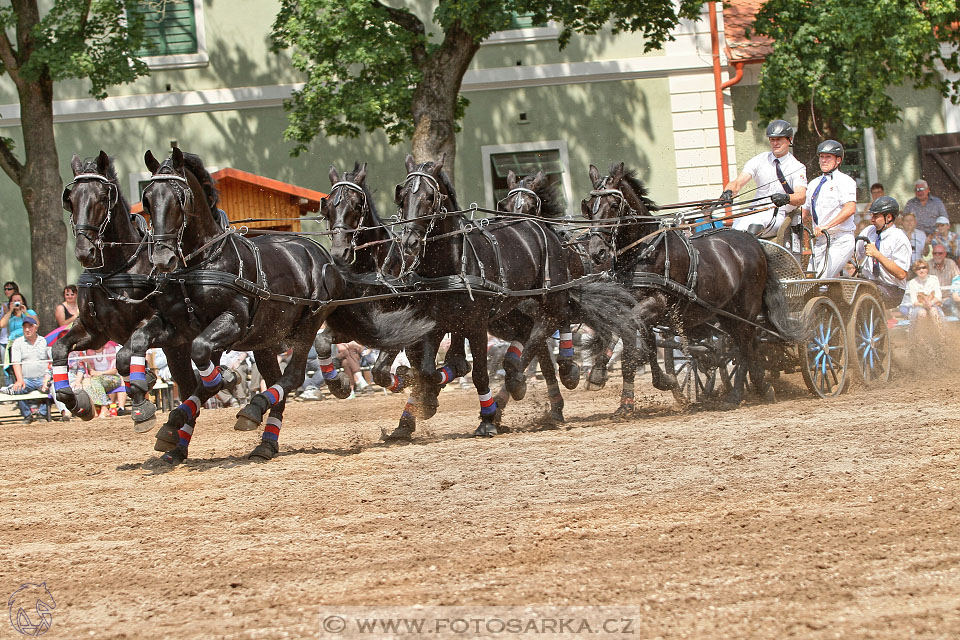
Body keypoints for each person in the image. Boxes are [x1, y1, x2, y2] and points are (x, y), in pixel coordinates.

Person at [720, 119, 807, 237]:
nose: (775, 143)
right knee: (734, 229)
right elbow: (738, 182)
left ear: (789, 139)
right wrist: (728, 192)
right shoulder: (760, 159)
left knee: (753, 226)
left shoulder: (797, 167)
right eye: (772, 139)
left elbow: (801, 196)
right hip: (755, 211)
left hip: (778, 215)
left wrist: (786, 197)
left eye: (779, 139)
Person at [801, 140, 857, 278]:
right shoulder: (814, 184)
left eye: (828, 157)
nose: (824, 161)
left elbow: (850, 209)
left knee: (821, 278)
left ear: (838, 160)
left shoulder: (845, 181)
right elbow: (804, 212)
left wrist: (826, 226)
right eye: (821, 157)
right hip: (820, 242)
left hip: (840, 239)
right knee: (808, 279)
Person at [857, 196, 911, 309]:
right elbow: (854, 253)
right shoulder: (869, 231)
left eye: (876, 216)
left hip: (891, 288)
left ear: (889, 217)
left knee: (865, 292)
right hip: (869, 283)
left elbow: (901, 274)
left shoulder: (899, 238)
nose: (872, 220)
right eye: (872, 215)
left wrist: (877, 254)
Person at [1, 315, 49, 423]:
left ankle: (42, 413)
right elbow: (16, 363)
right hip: (26, 379)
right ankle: (27, 414)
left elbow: (50, 361)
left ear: (36, 328)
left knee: (54, 387)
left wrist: (47, 379)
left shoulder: (44, 341)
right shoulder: (17, 343)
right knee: (16, 389)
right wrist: (19, 379)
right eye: (25, 327)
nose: (27, 329)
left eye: (30, 326)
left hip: (43, 378)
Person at [79, 342, 127, 417]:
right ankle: (94, 410)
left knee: (95, 381)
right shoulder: (89, 352)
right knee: (86, 383)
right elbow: (91, 371)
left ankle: (104, 407)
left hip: (113, 378)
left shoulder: (110, 350)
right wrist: (87, 363)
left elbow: (115, 370)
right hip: (96, 379)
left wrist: (100, 373)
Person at [905, 259, 944, 330]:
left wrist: (930, 303)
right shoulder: (912, 283)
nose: (921, 270)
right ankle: (922, 339)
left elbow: (938, 297)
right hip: (919, 307)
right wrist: (923, 305)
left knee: (933, 311)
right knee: (922, 313)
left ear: (927, 269)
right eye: (918, 269)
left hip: (933, 305)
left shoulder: (934, 279)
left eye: (924, 267)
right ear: (915, 270)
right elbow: (914, 302)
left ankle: (941, 336)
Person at [928, 244, 960, 318]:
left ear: (945, 254)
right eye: (935, 253)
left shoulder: (951, 263)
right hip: (933, 301)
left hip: (949, 299)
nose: (937, 255)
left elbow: (958, 280)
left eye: (940, 253)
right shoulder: (927, 265)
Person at [0, 281, 18, 371]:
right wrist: (8, 310)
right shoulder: (4, 305)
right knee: (6, 366)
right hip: (4, 339)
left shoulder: (20, 305)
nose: (7, 291)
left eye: (9, 289)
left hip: (15, 339)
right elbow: (2, 324)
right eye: (5, 289)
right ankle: (8, 384)